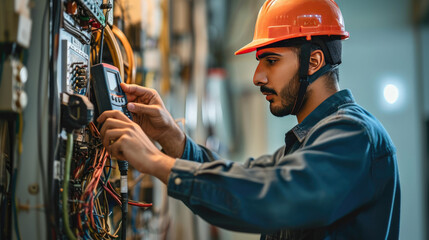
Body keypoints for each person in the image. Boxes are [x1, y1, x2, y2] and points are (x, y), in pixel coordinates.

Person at [97, 0, 401, 239]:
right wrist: (173, 141)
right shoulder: (306, 144)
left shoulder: (354, 136)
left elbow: (274, 195)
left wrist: (155, 160)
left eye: (271, 60)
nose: (257, 77)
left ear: (314, 60)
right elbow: (242, 178)